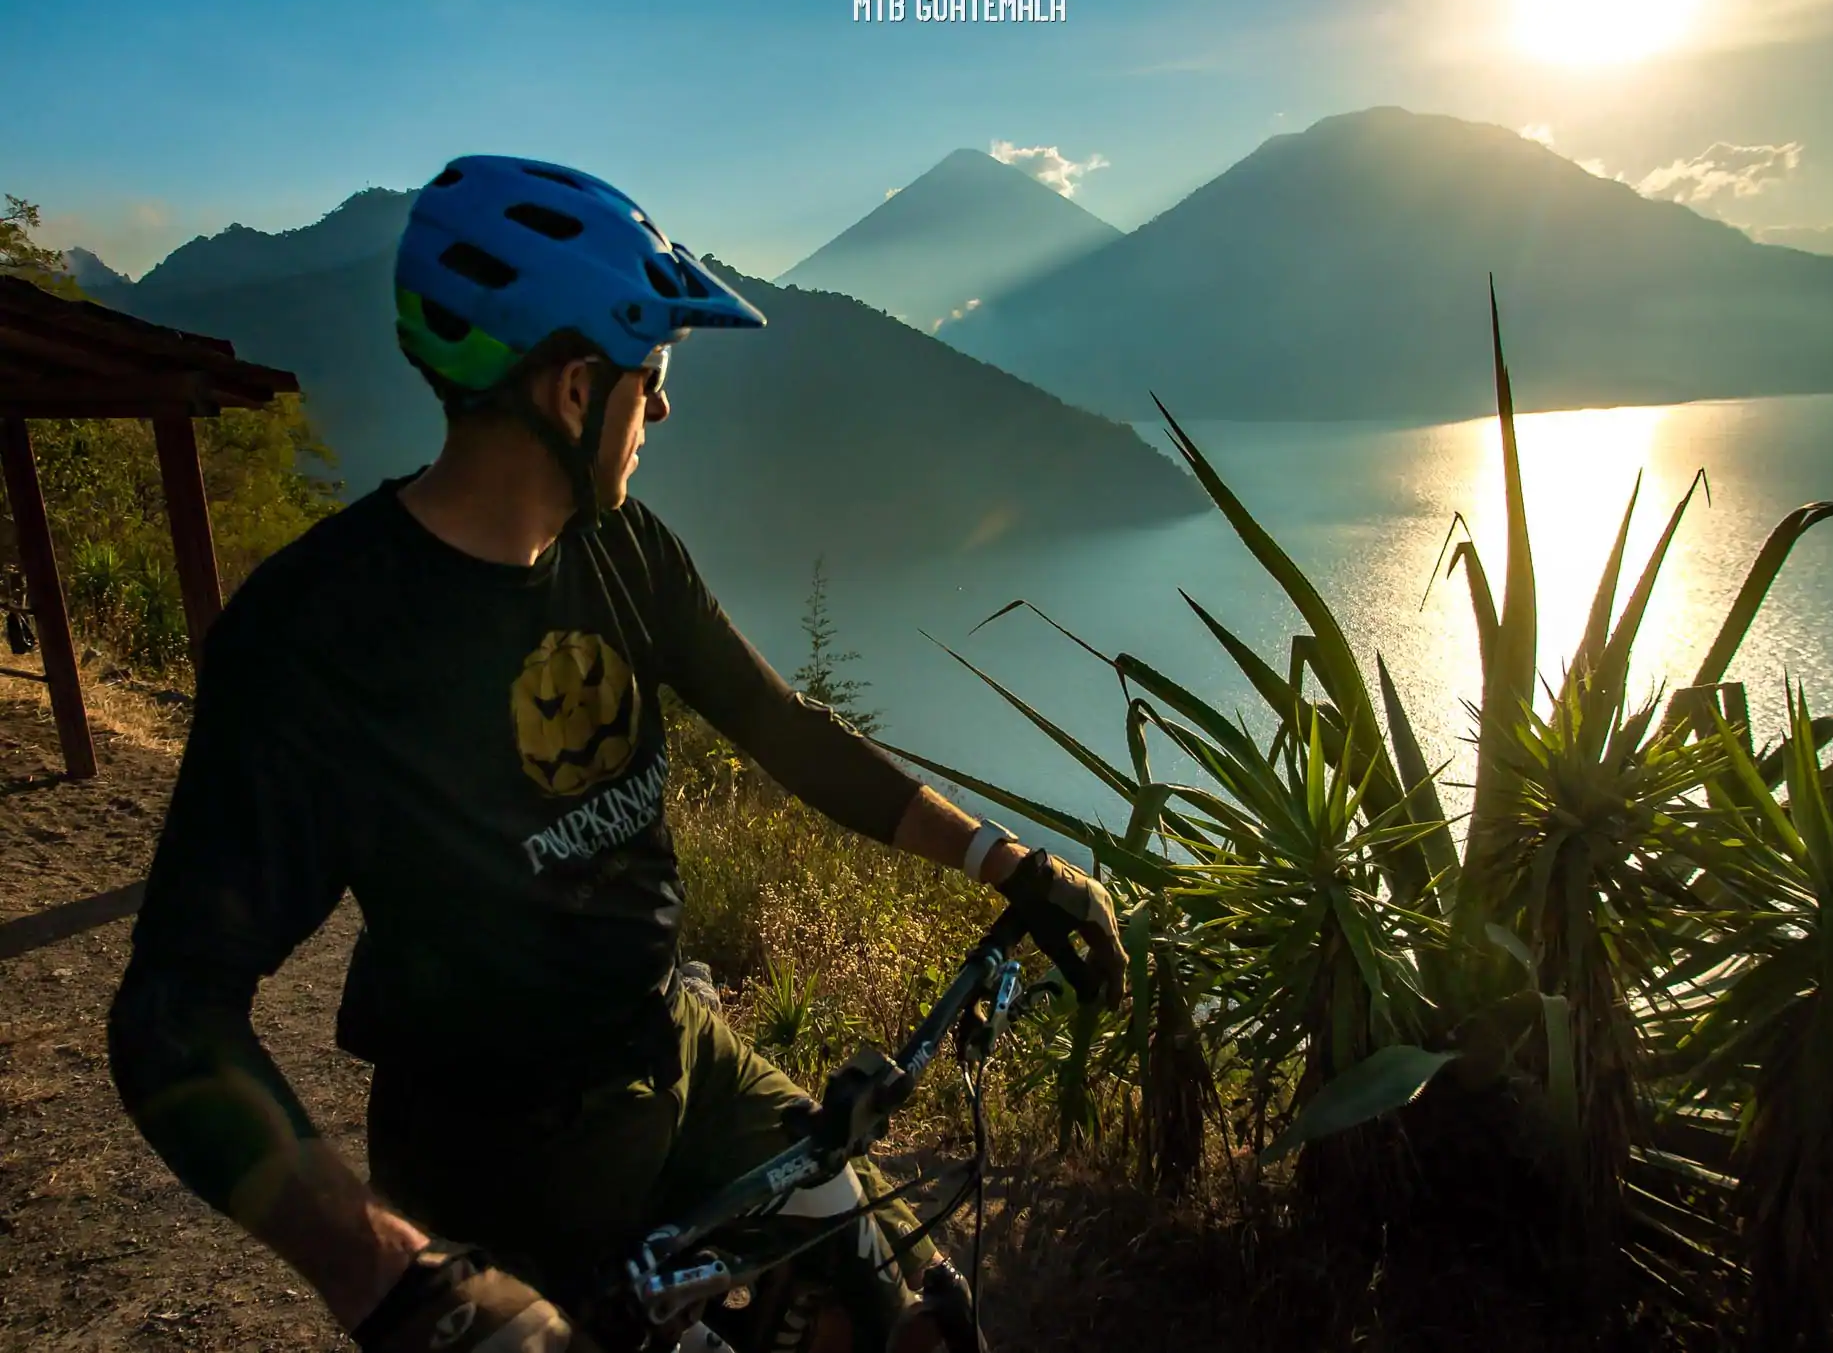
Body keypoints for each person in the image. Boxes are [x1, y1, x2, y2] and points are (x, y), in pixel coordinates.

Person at [106, 155, 1128, 1353]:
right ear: (576, 389)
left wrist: (1008, 863)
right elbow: (172, 1015)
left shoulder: (628, 551)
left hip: (678, 1050)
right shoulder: (320, 637)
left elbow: (784, 730)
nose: (667, 411)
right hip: (494, 1151)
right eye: (656, 378)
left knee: (906, 1317)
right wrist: (397, 1281)